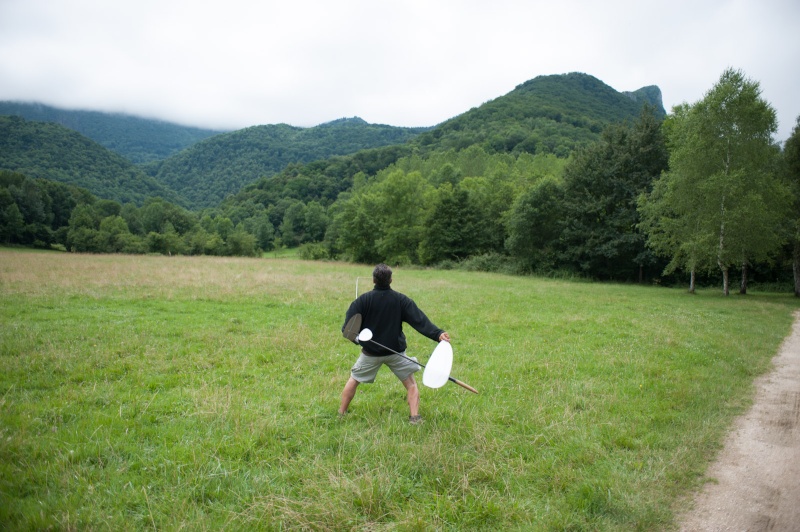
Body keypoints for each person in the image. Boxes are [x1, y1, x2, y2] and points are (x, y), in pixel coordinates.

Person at [339, 264, 450, 425]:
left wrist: (358, 340)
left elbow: (347, 331)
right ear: (391, 280)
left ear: (373, 280)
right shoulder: (401, 300)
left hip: (371, 354)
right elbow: (420, 320)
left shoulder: (362, 300)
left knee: (354, 380)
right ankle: (414, 418)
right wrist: (438, 334)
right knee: (411, 385)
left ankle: (341, 413)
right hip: (395, 353)